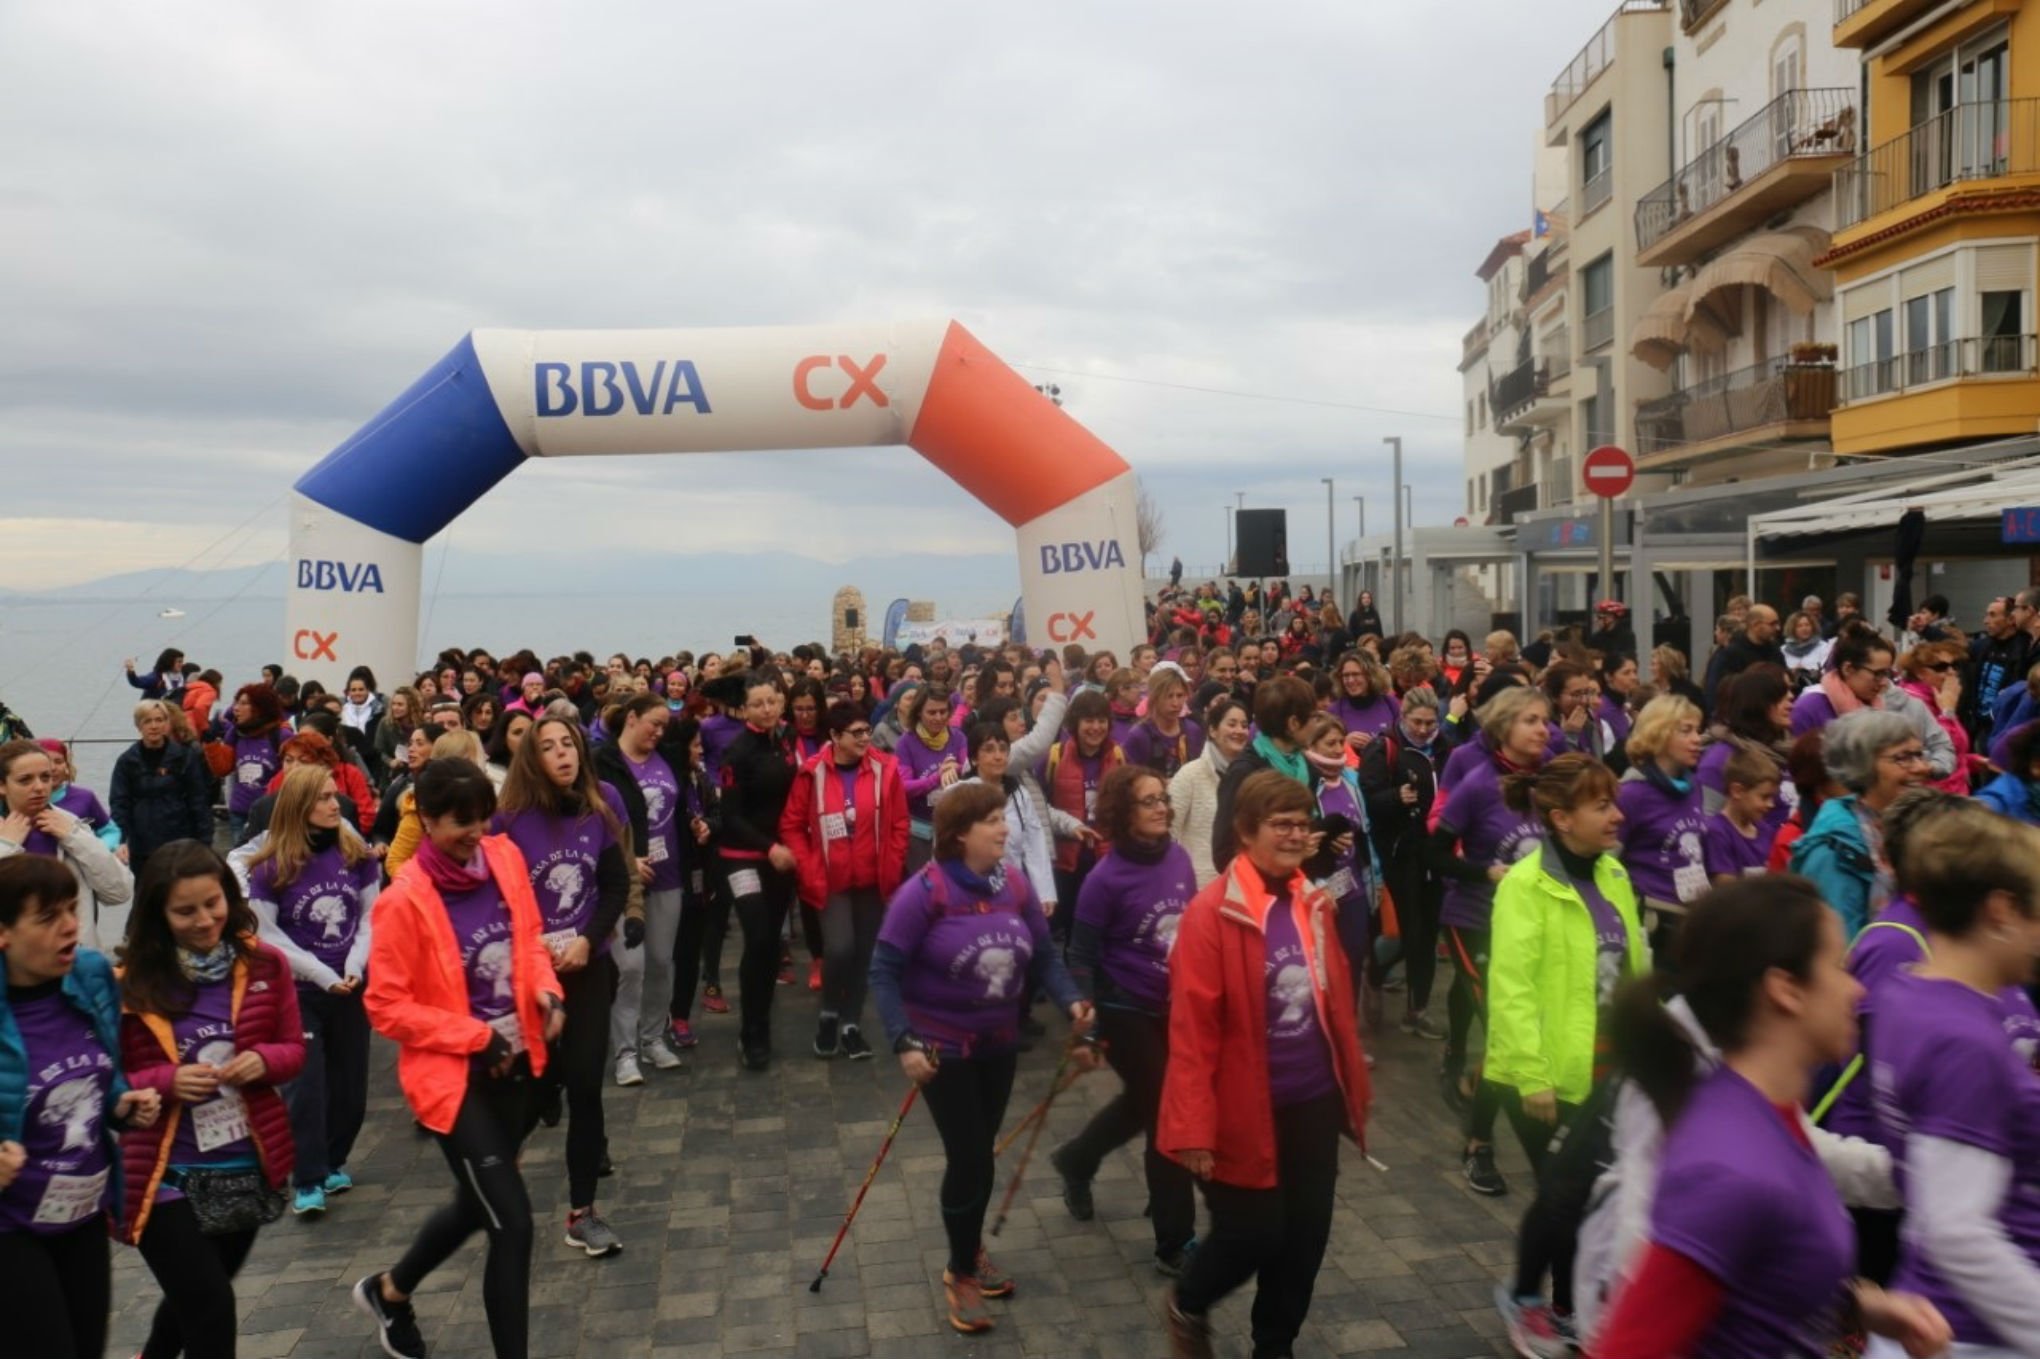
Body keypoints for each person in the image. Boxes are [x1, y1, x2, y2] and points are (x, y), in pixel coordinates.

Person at [1592, 878, 1952, 1359]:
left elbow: (1754, 1268)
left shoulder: (1770, 1115)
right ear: (1786, 989)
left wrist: (1862, 1305)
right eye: (1839, 967)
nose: (1857, 987)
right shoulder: (1728, 1168)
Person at [354, 759, 566, 1359]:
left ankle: (390, 1292)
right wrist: (473, 1036)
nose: (475, 832)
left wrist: (549, 992)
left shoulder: (504, 859)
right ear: (424, 818)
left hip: (519, 1066)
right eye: (459, 823)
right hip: (454, 1084)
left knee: (479, 1203)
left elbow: (529, 943)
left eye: (482, 819)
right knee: (513, 1224)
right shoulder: (402, 902)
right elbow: (385, 1007)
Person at [1157, 771, 1372, 1359]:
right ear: (1246, 831)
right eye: (1281, 824)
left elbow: (1335, 1007)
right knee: (1254, 1232)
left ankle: (1274, 1345)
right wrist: (1193, 1127)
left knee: (1304, 1239)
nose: (1295, 835)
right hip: (1240, 1107)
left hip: (1311, 1100)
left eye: (1303, 824)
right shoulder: (1211, 914)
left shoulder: (1313, 903)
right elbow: (1193, 1032)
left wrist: (1353, 1082)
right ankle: (1190, 1300)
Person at [867, 781, 1095, 1335]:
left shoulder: (1012, 883)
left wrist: (1071, 1002)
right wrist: (903, 1040)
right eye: (992, 820)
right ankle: (961, 1269)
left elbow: (1043, 956)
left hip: (999, 1043)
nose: (1004, 828)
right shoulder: (924, 892)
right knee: (969, 1156)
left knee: (981, 1156)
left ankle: (968, 1248)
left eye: (1002, 817)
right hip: (942, 1050)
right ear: (959, 833)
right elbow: (884, 970)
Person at [1483, 753, 1649, 1350]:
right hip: (1548, 1077)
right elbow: (1511, 986)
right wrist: (1532, 1076)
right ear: (1560, 818)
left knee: (1588, 1197)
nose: (1616, 816)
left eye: (1613, 802)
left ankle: (1566, 1305)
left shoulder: (1613, 875)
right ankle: (1533, 1301)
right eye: (1601, 805)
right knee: (1563, 1197)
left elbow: (1634, 966)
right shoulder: (1525, 887)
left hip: (1611, 1071)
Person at [1861, 805, 2040, 1357]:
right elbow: (1957, 1229)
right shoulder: (1962, 1040)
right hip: (1973, 1334)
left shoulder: (1910, 993)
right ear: (2002, 910)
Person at [117, 841, 304, 1359]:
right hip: (164, 1177)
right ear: (158, 913)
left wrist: (264, 1061)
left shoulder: (266, 964)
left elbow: (293, 1048)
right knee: (210, 1309)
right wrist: (167, 1080)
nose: (204, 920)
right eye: (185, 910)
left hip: (245, 1167)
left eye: (213, 903)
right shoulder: (129, 983)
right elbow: (112, 1077)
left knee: (189, 1304)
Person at [0, 855, 160, 1359]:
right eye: (48, 918)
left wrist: (120, 1103)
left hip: (82, 1209)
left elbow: (96, 1069)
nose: (71, 926)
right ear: (4, 932)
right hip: (10, 1225)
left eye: (71, 909)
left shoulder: (91, 975)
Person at [495, 715, 636, 1258]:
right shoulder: (507, 823)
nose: (563, 754)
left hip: (587, 968)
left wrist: (588, 939)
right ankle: (494, 1170)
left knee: (584, 1085)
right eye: (549, 747)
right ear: (534, 758)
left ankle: (583, 1212)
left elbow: (615, 882)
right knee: (535, 1085)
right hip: (528, 978)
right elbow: (493, 899)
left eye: (569, 744)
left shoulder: (598, 807)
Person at [1049, 765, 1199, 1273]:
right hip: (1123, 1008)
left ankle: (1076, 1159)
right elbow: (1081, 955)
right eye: (1149, 801)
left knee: (1142, 1103)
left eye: (1163, 799)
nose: (1162, 807)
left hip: (1173, 1007)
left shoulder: (1178, 859)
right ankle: (1175, 1243)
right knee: (1165, 1111)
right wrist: (1088, 1022)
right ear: (1122, 813)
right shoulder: (1104, 879)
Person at [240, 764, 379, 1217]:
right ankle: (308, 1177)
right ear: (299, 804)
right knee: (306, 1086)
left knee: (352, 1087)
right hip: (300, 990)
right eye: (321, 797)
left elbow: (370, 918)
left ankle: (334, 1160)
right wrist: (321, 974)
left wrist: (355, 966)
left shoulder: (357, 854)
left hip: (351, 984)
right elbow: (267, 935)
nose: (332, 804)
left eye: (333, 795)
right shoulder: (271, 866)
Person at [1427, 686, 1551, 1160]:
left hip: (1529, 926)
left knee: (1509, 1033)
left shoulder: (1550, 778)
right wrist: (1485, 871)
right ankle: (1485, 1142)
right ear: (1503, 728)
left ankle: (1477, 1114)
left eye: (1545, 720)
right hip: (1473, 918)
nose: (1544, 729)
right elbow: (1435, 853)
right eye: (1531, 721)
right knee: (1503, 1029)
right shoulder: (1479, 784)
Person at [779, 700, 908, 1062]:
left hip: (873, 880)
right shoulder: (812, 773)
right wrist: (807, 866)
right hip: (830, 881)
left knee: (864, 954)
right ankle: (828, 1013)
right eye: (856, 733)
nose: (865, 738)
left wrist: (894, 863)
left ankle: (851, 1024)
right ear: (834, 736)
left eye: (867, 730)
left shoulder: (886, 770)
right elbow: (791, 825)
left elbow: (899, 823)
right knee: (839, 949)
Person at [591, 693, 688, 1085]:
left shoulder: (671, 758)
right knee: (631, 967)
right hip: (622, 880)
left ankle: (653, 1037)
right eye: (654, 724)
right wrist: (628, 861)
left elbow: (683, 807)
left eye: (665, 727)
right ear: (631, 718)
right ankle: (625, 1050)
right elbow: (596, 821)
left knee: (662, 962)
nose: (659, 732)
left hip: (668, 875)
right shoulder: (604, 762)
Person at [715, 673, 800, 1072]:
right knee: (760, 936)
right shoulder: (737, 753)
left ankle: (762, 1020)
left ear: (781, 703)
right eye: (758, 704)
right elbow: (729, 817)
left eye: (772, 701)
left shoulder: (787, 740)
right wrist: (769, 848)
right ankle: (752, 1032)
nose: (766, 709)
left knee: (770, 949)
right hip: (741, 856)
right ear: (745, 709)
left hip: (781, 857)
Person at [1359, 685, 1451, 1039]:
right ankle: (1375, 974)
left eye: (1431, 722)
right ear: (1403, 718)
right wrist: (1394, 797)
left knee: (1428, 934)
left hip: (1436, 854)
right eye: (1419, 722)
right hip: (1401, 855)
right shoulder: (1384, 749)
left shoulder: (1444, 750)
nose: (1426, 729)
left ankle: (1417, 1010)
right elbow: (1367, 798)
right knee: (1409, 933)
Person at [1789, 709, 1927, 941]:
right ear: (1863, 765)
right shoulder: (1833, 850)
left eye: (1919, 755)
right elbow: (1840, 950)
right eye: (1903, 758)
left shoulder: (1911, 825)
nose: (1922, 768)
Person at [0, 739, 134, 953]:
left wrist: (75, 837)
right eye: (25, 780)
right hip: (13, 967)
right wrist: (6, 847)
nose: (39, 787)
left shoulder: (70, 824)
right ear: (2, 786)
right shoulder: (4, 836)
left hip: (73, 960)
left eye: (45, 777)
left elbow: (119, 892)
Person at [1792, 629, 1956, 780]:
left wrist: (1922, 766)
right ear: (1848, 669)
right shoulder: (1809, 707)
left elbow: (1942, 747)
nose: (1883, 681)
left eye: (1887, 673)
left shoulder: (1892, 705)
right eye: (1877, 674)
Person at [1614, 695, 1708, 953]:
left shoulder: (1693, 786)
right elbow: (1607, 863)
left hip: (1692, 919)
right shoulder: (1631, 794)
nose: (1697, 739)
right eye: (1686, 731)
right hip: (1654, 922)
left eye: (1697, 730)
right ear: (1659, 735)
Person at [1211, 675, 1316, 871]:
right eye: (1313, 718)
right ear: (1294, 723)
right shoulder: (1245, 772)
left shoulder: (1306, 766)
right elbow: (1224, 852)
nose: (1316, 726)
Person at [1041, 689, 1125, 930]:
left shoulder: (1117, 755)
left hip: (1105, 858)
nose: (1095, 727)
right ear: (1075, 723)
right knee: (1067, 926)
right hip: (1065, 862)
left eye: (1101, 721)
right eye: (1089, 720)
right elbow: (1038, 805)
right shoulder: (1054, 756)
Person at [110, 699, 214, 873]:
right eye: (148, 721)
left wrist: (204, 841)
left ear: (167, 723)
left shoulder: (184, 757)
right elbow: (119, 803)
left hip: (179, 841)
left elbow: (198, 801)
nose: (154, 726)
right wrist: (119, 840)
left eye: (159, 720)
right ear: (139, 726)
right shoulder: (127, 761)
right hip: (142, 844)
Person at [1171, 695, 1250, 891]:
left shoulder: (1253, 776)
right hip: (1199, 887)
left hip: (1244, 885)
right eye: (1232, 724)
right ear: (1213, 730)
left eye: (1244, 725)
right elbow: (1167, 832)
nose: (1239, 731)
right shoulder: (1190, 774)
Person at [894, 684, 965, 874]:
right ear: (919, 713)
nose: (938, 717)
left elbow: (968, 771)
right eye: (931, 712)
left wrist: (956, 768)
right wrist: (936, 778)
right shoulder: (906, 742)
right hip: (920, 831)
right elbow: (903, 786)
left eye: (943, 712)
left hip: (952, 828)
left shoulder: (957, 738)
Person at [1896, 638, 1977, 795]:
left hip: (1954, 791)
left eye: (1955, 665)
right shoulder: (1911, 704)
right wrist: (1948, 711)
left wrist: (1967, 760)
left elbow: (1951, 749)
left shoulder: (1939, 698)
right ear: (1920, 673)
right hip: (1934, 797)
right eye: (1941, 667)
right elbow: (1928, 751)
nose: (1951, 672)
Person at [1702, 747, 1779, 884]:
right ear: (1737, 791)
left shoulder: (1766, 831)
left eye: (1772, 798)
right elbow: (1726, 889)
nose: (1771, 804)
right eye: (1764, 797)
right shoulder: (1717, 833)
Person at [1122, 665, 1206, 779]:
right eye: (1169, 696)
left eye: (1180, 696)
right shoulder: (1139, 735)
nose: (1175, 703)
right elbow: (1128, 778)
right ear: (1154, 698)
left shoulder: (1193, 730)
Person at [1780, 611, 1832, 691]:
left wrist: (1808, 672)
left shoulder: (1823, 647)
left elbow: (1826, 670)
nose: (1804, 628)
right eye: (1799, 626)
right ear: (1793, 629)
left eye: (1807, 625)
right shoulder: (1783, 650)